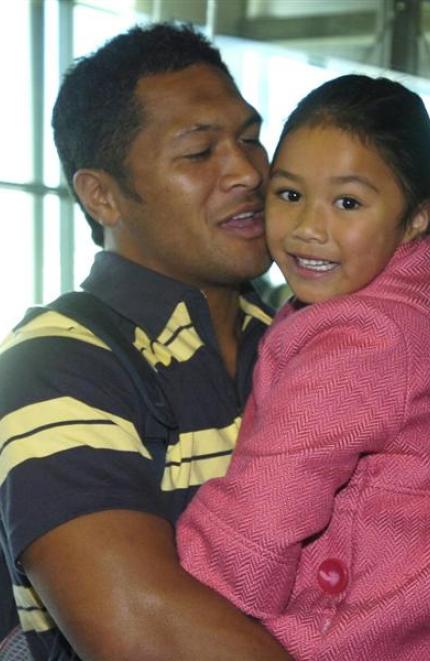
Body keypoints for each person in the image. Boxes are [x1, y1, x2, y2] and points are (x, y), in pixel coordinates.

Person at [0, 22, 292, 661]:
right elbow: (146, 635)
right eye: (198, 152)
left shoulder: (307, 343)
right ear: (102, 195)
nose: (247, 171)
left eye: (250, 138)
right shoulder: (54, 365)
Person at [177, 74, 430, 660]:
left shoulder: (365, 340)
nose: (308, 229)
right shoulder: (405, 309)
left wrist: (170, 610)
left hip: (360, 629)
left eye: (347, 202)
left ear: (419, 216)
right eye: (290, 194)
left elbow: (264, 512)